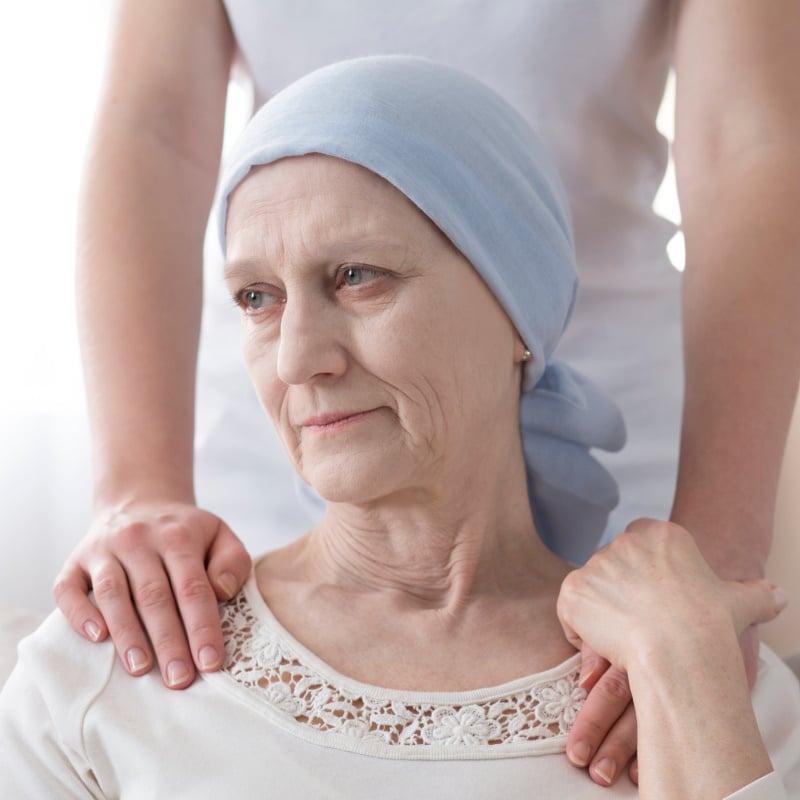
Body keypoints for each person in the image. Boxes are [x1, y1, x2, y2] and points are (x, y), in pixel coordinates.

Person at [3, 58, 799, 798]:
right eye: (256, 297)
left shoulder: (700, 665)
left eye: (357, 277)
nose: (296, 358)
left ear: (516, 309)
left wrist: (688, 671)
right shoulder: (111, 660)